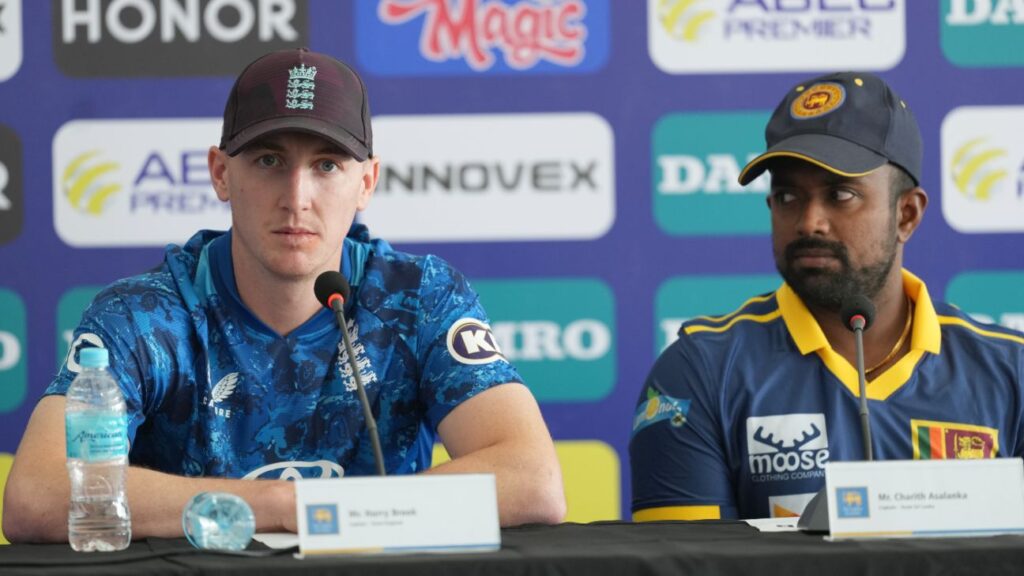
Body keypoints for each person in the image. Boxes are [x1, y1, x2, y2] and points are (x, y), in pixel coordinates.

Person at [3, 48, 565, 542]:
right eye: (269, 161)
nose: (297, 198)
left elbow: (533, 481)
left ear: (366, 183)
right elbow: (37, 496)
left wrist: (306, 512)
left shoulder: (419, 298)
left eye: (326, 165)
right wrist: (285, 507)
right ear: (221, 174)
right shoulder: (142, 314)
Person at [629, 71, 1024, 521]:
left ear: (907, 215)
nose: (809, 222)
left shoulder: (1011, 373)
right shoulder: (698, 371)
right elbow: (686, 564)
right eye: (787, 196)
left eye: (841, 194)